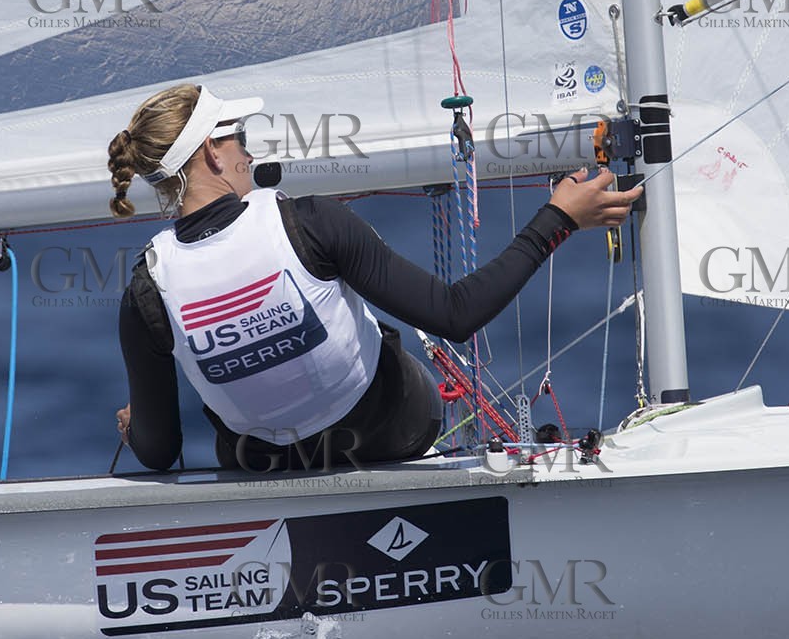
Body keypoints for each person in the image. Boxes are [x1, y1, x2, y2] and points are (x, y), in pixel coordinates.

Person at [105, 84, 641, 472]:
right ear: (211, 154)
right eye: (239, 138)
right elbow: (456, 315)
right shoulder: (307, 220)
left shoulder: (147, 291)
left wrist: (136, 427)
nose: (249, 152)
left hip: (264, 465)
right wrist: (559, 219)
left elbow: (158, 450)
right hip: (390, 433)